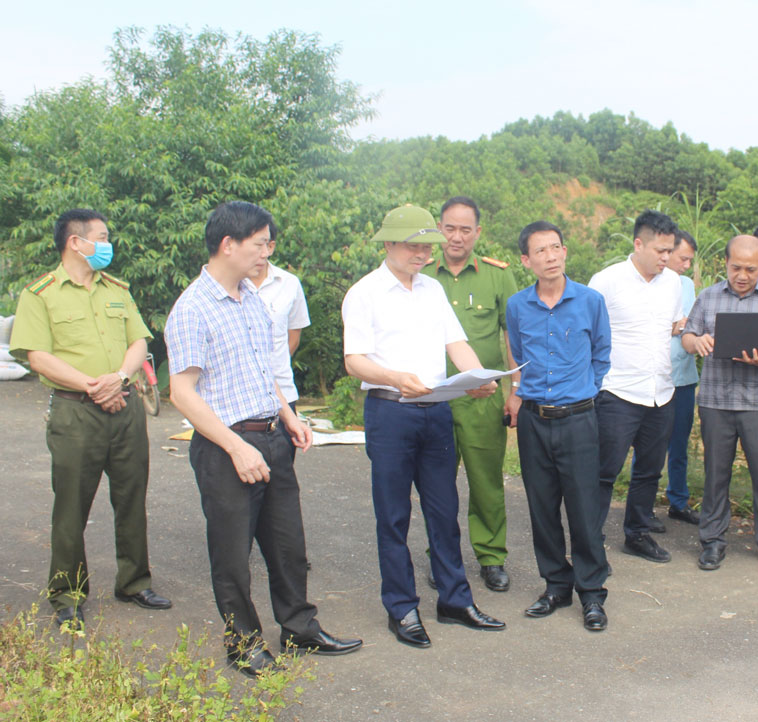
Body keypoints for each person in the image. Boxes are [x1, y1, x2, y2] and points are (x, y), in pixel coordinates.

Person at [166, 201, 361, 677]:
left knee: (287, 545)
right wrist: (236, 447)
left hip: (272, 437)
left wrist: (287, 414)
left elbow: (262, 367)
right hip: (226, 445)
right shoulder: (193, 308)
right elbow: (181, 392)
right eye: (260, 244)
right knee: (232, 553)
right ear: (228, 244)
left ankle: (300, 627)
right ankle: (243, 642)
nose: (266, 253)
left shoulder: (251, 296)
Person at [342, 204, 505, 650]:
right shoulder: (365, 293)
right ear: (389, 244)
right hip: (391, 410)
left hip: (436, 409)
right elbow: (354, 359)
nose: (421, 253)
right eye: (413, 245)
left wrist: (478, 378)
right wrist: (395, 377)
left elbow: (457, 343)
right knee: (393, 515)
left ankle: (454, 599)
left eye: (425, 246)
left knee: (443, 508)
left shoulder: (432, 289)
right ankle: (402, 607)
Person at [10, 209, 171, 629]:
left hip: (125, 406)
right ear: (75, 242)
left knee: (132, 496)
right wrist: (92, 385)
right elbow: (36, 355)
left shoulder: (116, 289)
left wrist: (117, 379)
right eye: (101, 236)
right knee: (71, 505)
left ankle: (134, 582)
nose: (107, 244)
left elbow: (138, 339)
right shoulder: (40, 293)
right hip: (75, 412)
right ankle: (67, 592)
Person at [506, 220, 612, 632]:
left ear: (565, 252)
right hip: (534, 420)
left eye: (556, 248)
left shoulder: (590, 300)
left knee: (584, 510)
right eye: (541, 251)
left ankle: (592, 593)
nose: (550, 257)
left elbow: (602, 354)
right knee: (542, 507)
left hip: (579, 418)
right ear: (526, 260)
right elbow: (517, 351)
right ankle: (555, 585)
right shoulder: (517, 306)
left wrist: (582, 389)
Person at [422, 196, 519, 593]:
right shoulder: (422, 273)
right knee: (436, 485)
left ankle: (492, 557)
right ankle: (441, 557)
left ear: (478, 233)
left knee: (486, 482)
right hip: (434, 398)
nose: (457, 236)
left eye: (466, 229)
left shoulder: (498, 277)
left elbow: (513, 335)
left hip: (484, 398)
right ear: (438, 229)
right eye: (449, 227)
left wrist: (516, 392)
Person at [681, 235, 758, 573]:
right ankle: (713, 542)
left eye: (750, 269)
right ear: (725, 264)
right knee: (716, 473)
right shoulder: (708, 296)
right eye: (735, 268)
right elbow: (687, 336)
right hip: (716, 399)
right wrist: (697, 340)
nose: (742, 275)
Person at [588, 210, 684, 564]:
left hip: (661, 391)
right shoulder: (605, 281)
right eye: (660, 250)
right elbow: (587, 335)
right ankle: (590, 539)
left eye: (670, 250)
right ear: (638, 243)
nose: (666, 257)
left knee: (649, 469)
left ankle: (637, 533)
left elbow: (672, 327)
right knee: (604, 471)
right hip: (617, 393)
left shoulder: (672, 282)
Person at [248, 221, 310, 457]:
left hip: (283, 391)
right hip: (243, 399)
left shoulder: (289, 283)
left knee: (281, 473)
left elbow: (293, 336)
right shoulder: (233, 284)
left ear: (271, 246)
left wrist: (272, 369)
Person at [663, 230, 701, 526]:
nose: (686, 265)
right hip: (656, 378)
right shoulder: (652, 282)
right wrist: (674, 326)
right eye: (683, 258)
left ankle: (678, 500)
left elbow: (693, 323)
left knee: (679, 445)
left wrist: (684, 327)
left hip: (684, 378)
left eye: (690, 260)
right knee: (648, 446)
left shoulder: (687, 285)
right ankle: (642, 504)